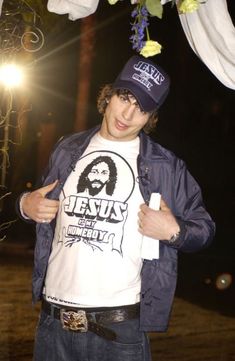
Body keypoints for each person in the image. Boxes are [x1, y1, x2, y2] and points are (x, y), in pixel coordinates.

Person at [17, 55, 215, 361]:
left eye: (142, 108)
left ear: (150, 117)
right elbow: (38, 206)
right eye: (125, 97)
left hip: (117, 335)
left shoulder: (166, 167)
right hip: (53, 325)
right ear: (109, 96)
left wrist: (173, 231)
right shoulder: (67, 148)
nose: (129, 113)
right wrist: (24, 205)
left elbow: (204, 229)